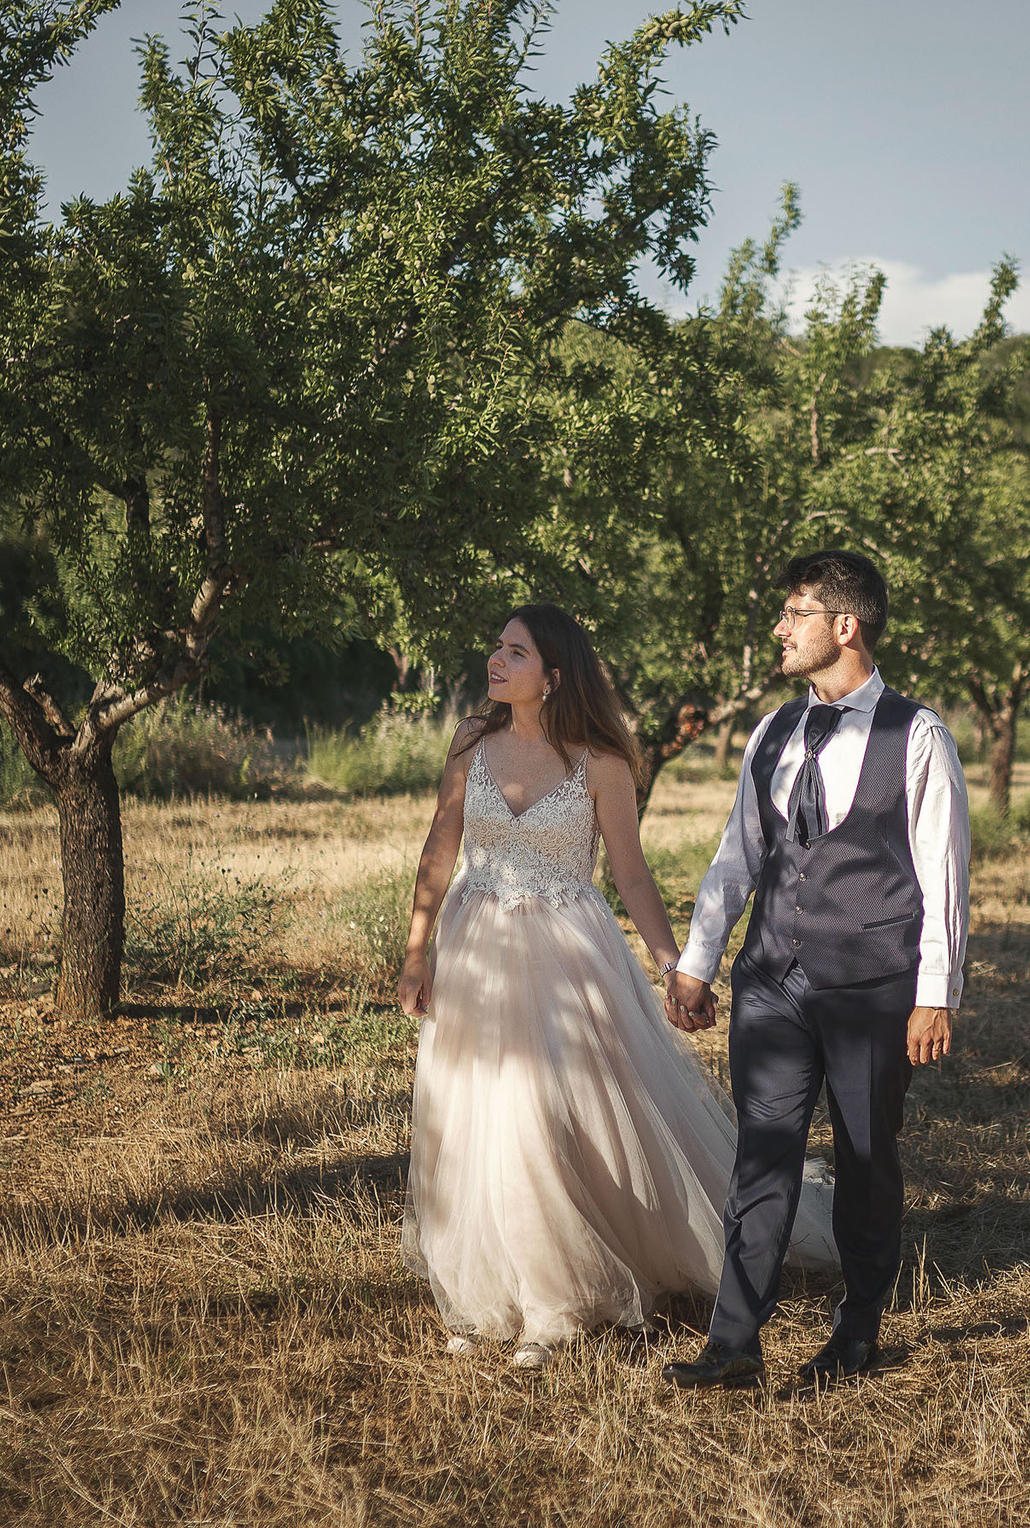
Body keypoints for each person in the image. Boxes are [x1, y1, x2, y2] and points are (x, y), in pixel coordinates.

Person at [396, 603, 835, 1368]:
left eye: (516, 652)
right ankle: (487, 1287)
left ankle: (551, 1303)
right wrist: (415, 948)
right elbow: (441, 846)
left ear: (555, 674)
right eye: (497, 648)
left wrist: (676, 967)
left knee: (539, 1115)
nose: (495, 661)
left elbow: (631, 874)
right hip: (475, 951)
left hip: (568, 955)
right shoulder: (471, 743)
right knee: (476, 1116)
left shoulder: (601, 762)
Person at [660, 550, 969, 1390]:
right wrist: (699, 960)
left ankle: (858, 1329)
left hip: (873, 985)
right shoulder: (773, 730)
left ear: (845, 625)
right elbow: (738, 855)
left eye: (794, 613)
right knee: (762, 1153)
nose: (779, 628)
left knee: (868, 1157)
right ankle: (735, 1343)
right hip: (772, 978)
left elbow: (944, 875)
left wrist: (934, 994)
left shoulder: (918, 734)